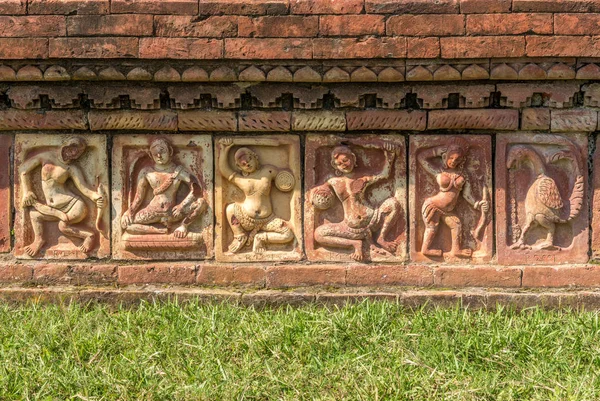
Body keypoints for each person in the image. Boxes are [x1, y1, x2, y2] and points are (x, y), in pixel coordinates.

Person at [311, 143, 400, 262]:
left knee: (393, 203)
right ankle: (354, 244)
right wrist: (319, 195)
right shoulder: (333, 182)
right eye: (339, 164)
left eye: (345, 160)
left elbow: (384, 175)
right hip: (350, 228)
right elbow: (317, 191)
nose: (343, 165)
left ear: (353, 158)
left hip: (373, 219)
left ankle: (381, 237)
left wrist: (390, 156)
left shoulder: (363, 179)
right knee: (318, 234)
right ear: (334, 166)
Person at [19, 137, 104, 256]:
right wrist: (27, 191)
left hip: (74, 206)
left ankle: (89, 235)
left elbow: (84, 188)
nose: (74, 153)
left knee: (62, 226)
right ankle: (39, 240)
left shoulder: (72, 168)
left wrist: (95, 197)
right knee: (34, 215)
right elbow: (23, 170)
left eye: (78, 152)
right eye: (73, 147)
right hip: (55, 207)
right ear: (64, 145)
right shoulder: (46, 157)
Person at [218, 138, 294, 254]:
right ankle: (239, 235)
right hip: (246, 218)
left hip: (268, 220)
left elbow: (284, 178)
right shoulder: (241, 179)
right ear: (239, 167)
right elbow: (224, 170)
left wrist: (285, 182)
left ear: (255, 157)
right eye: (243, 164)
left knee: (288, 234)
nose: (247, 164)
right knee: (230, 209)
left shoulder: (268, 172)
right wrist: (225, 149)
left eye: (249, 159)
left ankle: (261, 238)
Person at [120, 137, 206, 239]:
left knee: (201, 203)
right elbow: (139, 197)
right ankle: (160, 231)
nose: (159, 156)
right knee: (127, 225)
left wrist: (181, 206)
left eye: (162, 151)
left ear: (170, 151)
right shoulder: (147, 172)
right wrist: (129, 211)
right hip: (152, 212)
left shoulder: (179, 171)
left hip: (172, 213)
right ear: (150, 155)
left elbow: (196, 190)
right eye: (155, 153)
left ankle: (183, 226)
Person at [417, 138, 489, 258]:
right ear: (445, 156)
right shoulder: (438, 171)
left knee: (456, 225)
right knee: (432, 227)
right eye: (451, 158)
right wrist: (436, 151)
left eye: (457, 159)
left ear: (462, 160)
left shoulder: (462, 175)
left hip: (447, 210)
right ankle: (425, 249)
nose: (453, 161)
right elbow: (421, 157)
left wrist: (477, 204)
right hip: (433, 206)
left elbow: (467, 195)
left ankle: (456, 250)